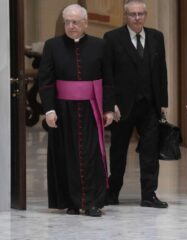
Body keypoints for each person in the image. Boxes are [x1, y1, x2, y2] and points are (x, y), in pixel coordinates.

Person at [38, 4, 114, 217]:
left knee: (91, 155)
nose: (71, 26)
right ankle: (71, 202)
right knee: (65, 156)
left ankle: (91, 202)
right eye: (68, 22)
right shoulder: (52, 46)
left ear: (85, 23)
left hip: (91, 109)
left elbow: (108, 80)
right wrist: (49, 109)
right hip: (62, 111)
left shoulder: (100, 46)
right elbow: (45, 81)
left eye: (75, 22)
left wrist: (108, 109)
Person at [103, 0, 168, 208]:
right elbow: (108, 75)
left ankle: (149, 195)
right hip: (122, 106)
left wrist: (163, 102)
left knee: (150, 152)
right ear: (126, 16)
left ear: (145, 15)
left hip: (150, 105)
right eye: (133, 14)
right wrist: (110, 104)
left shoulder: (157, 37)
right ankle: (112, 193)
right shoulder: (112, 38)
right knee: (119, 151)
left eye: (141, 14)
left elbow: (161, 72)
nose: (137, 18)